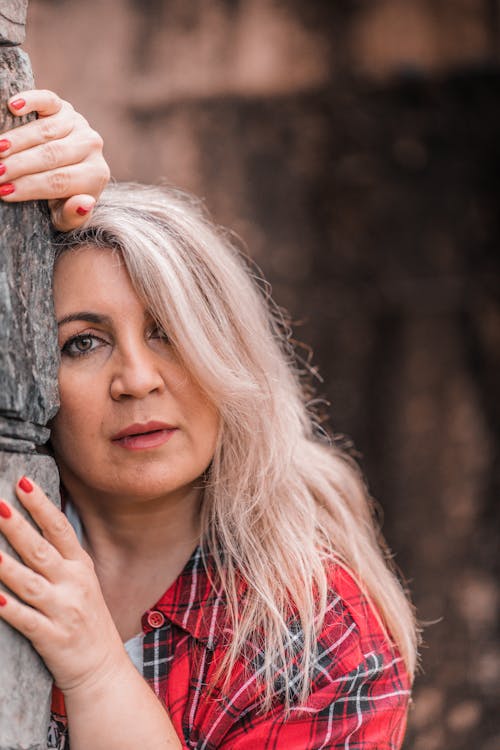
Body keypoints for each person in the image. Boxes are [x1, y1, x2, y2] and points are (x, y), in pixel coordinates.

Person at [0, 90, 418, 749]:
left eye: (168, 333)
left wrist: (96, 669)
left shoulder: (318, 637)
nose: (137, 379)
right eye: (81, 342)